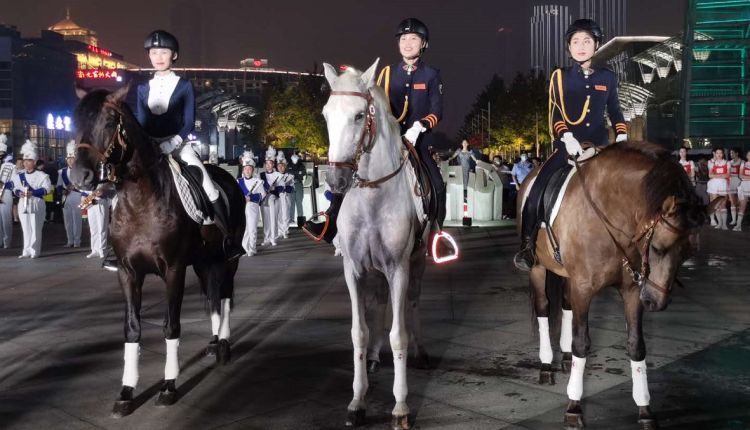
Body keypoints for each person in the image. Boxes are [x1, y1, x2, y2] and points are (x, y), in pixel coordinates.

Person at [304, 17, 451, 256]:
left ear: (423, 44)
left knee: (437, 184)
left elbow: (437, 111)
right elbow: (377, 106)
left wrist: (420, 126)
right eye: (403, 39)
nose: (407, 43)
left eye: (413, 39)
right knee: (352, 172)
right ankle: (331, 223)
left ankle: (436, 235)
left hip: (418, 141)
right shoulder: (386, 74)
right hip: (388, 139)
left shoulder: (432, 75)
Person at [102, 30, 242, 270]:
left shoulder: (184, 85)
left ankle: (227, 238)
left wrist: (173, 142)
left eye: (164, 52)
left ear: (174, 55)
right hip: (150, 147)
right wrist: (145, 145)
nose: (158, 56)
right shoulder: (144, 87)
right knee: (120, 194)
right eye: (154, 52)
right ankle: (114, 248)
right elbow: (142, 122)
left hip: (178, 145)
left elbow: (188, 121)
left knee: (206, 181)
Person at [514, 19, 628, 271]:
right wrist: (566, 136)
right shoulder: (560, 76)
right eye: (575, 41)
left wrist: (621, 134)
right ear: (568, 47)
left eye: (587, 41)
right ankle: (528, 245)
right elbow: (554, 113)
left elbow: (616, 110)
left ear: (596, 45)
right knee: (537, 188)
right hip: (567, 146)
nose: (581, 46)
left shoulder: (607, 77)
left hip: (599, 147)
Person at [12, 140, 52, 258]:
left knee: (35, 228)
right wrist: (19, 193)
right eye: (24, 161)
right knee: (25, 228)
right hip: (23, 203)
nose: (25, 163)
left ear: (34, 162)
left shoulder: (42, 175)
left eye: (28, 161)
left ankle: (35, 251)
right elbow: (15, 188)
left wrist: (33, 192)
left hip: (36, 203)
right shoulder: (19, 176)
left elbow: (47, 189)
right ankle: (26, 251)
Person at [238, 151, 265, 256]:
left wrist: (251, 197)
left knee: (252, 229)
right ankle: (245, 248)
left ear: (252, 170)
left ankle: (252, 249)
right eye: (246, 169)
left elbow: (262, 195)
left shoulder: (257, 181)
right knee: (245, 229)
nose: (248, 171)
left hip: (253, 207)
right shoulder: (238, 181)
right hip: (242, 208)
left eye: (249, 169)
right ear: (243, 170)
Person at [57, 140, 82, 248]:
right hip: (66, 197)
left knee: (77, 220)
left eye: (72, 158)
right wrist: (62, 191)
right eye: (69, 159)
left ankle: (77, 241)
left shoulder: (80, 171)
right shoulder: (61, 172)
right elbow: (58, 186)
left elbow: (83, 186)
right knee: (67, 221)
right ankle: (69, 241)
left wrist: (74, 187)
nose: (70, 161)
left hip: (77, 196)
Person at [260, 146, 281, 246]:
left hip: (274, 198)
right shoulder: (261, 175)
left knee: (273, 218)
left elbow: (281, 188)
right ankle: (266, 238)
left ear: (273, 164)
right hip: (264, 199)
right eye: (267, 163)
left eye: (270, 163)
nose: (268, 165)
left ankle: (273, 238)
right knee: (266, 219)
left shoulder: (278, 174)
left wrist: (275, 188)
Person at [707, 147, 730, 230]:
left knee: (723, 205)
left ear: (723, 154)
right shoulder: (712, 163)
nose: (719, 155)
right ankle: (719, 223)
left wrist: (716, 175)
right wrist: (720, 175)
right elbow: (710, 175)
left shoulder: (727, 163)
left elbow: (727, 174)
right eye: (717, 153)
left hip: (723, 184)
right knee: (715, 205)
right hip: (713, 185)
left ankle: (724, 224)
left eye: (720, 153)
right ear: (715, 154)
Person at [0, 134, 15, 248]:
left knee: (6, 219)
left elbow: (13, 182)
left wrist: (3, 185)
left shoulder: (10, 166)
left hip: (5, 193)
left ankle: (7, 241)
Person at [275, 152, 294, 239]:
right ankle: (280, 231)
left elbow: (291, 188)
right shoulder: (275, 176)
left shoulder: (289, 176)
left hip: (286, 197)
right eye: (279, 166)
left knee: (286, 214)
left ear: (285, 167)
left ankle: (285, 230)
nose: (281, 167)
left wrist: (284, 188)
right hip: (278, 197)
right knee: (278, 214)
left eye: (282, 166)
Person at [287, 151, 307, 226]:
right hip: (291, 184)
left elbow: (303, 173)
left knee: (299, 202)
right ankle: (291, 219)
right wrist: (298, 173)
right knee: (291, 202)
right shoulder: (289, 165)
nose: (295, 159)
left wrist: (294, 173)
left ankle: (300, 219)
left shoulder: (301, 165)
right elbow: (288, 173)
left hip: (299, 184)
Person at [735, 149, 750, 231]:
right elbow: (740, 176)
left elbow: (743, 176)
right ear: (746, 156)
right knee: (742, 206)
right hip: (744, 186)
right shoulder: (743, 164)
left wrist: (746, 177)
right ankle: (738, 225)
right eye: (749, 155)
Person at [728, 148, 743, 228]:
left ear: (737, 153)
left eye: (732, 153)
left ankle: (738, 220)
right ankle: (733, 220)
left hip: (739, 182)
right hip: (731, 182)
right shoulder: (729, 162)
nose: (731, 155)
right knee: (732, 202)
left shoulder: (742, 162)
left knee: (739, 202)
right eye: (730, 153)